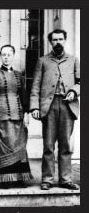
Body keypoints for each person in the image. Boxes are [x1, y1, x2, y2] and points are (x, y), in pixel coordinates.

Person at [30, 29, 80, 190]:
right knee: (48, 145)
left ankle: (65, 179)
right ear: (50, 42)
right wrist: (34, 107)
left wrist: (74, 91)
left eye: (60, 39)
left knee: (66, 145)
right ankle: (47, 179)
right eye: (54, 40)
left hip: (67, 106)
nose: (58, 42)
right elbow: (36, 85)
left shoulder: (74, 60)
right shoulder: (43, 61)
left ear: (65, 40)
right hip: (49, 107)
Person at [0, 45, 33, 188]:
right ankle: (1, 179)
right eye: (3, 54)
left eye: (9, 54)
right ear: (0, 56)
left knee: (18, 145)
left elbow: (24, 96)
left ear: (13, 56)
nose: (6, 57)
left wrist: (26, 114)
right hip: (0, 115)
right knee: (0, 147)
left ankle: (18, 178)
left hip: (17, 114)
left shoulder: (19, 75)